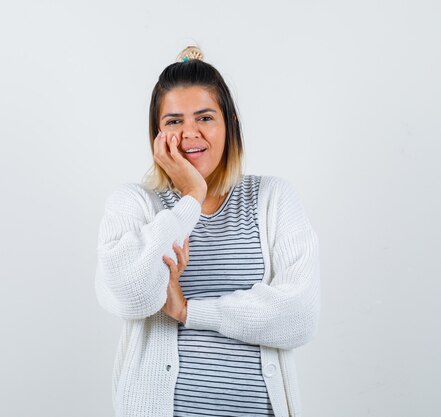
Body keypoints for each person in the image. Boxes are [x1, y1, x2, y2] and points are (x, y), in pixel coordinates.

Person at [94, 45, 321, 417]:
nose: (189, 134)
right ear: (157, 133)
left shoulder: (273, 199)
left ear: (229, 123)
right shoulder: (135, 204)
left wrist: (188, 311)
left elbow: (299, 317)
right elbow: (131, 294)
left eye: (204, 117)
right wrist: (191, 199)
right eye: (173, 122)